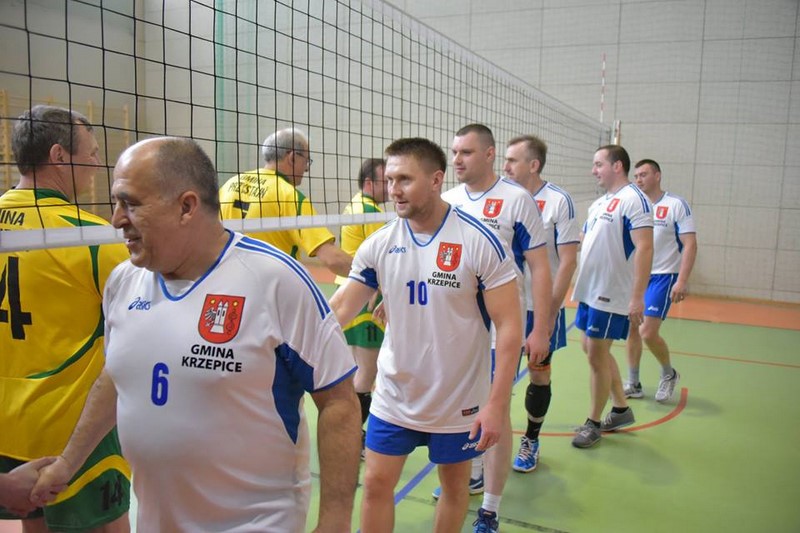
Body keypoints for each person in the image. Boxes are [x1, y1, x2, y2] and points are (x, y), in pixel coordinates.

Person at [31, 137, 362, 532]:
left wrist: (335, 521)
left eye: (130, 203)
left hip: (256, 523)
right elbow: (116, 376)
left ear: (186, 206)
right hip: (156, 521)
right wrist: (68, 462)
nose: (116, 219)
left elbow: (338, 401)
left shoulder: (276, 281)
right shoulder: (123, 281)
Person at [330, 137, 523, 533]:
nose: (393, 190)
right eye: (390, 180)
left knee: (454, 487)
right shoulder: (380, 243)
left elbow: (509, 327)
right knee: (376, 484)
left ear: (436, 180)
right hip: (395, 394)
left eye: (404, 179)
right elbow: (341, 308)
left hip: (458, 399)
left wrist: (496, 404)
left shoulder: (479, 241)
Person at [0, 105, 131, 532]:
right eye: (92, 152)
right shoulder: (92, 239)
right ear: (59, 156)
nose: (96, 163)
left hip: (5, 426)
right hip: (73, 432)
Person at [438, 124, 552, 532]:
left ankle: (490, 508)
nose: (457, 160)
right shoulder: (448, 201)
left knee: (496, 411)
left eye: (466, 152)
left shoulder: (517, 200)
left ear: (489, 155)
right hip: (454, 328)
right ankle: (467, 475)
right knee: (457, 407)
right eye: (454, 152)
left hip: (500, 328)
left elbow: (540, 267)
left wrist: (541, 327)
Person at [503, 135, 579, 472]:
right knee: (495, 376)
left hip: (538, 306)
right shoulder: (502, 198)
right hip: (504, 305)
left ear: (533, 165)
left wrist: (548, 314)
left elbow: (568, 261)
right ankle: (485, 450)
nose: (505, 166)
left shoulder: (558, 201)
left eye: (512, 160)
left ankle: (531, 439)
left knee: (538, 374)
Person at [571, 145, 654, 449]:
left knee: (596, 353)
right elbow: (583, 240)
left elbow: (645, 247)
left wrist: (637, 297)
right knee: (591, 348)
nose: (593, 170)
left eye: (598, 164)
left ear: (617, 166)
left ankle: (593, 423)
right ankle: (620, 409)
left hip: (611, 291)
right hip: (589, 289)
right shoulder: (600, 203)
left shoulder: (635, 200)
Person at [219, 127, 352, 276]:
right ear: (293, 157)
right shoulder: (290, 196)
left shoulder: (229, 185)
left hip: (227, 279)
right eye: (306, 161)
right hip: (271, 283)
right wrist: (368, 275)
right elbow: (332, 259)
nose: (306, 169)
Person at [624, 159, 697, 402]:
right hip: (636, 276)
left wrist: (682, 280)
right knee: (632, 328)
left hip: (663, 276)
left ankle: (668, 373)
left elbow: (690, 244)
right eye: (636, 175)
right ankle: (633, 382)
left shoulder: (676, 205)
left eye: (644, 174)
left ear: (657, 176)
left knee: (647, 331)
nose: (639, 179)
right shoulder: (634, 205)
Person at [334, 158, 389, 454]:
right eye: (385, 181)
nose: (390, 187)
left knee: (357, 369)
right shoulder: (371, 212)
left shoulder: (355, 204)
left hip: (347, 291)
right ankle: (353, 437)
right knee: (367, 373)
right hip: (366, 298)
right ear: (369, 183)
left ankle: (350, 432)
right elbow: (382, 259)